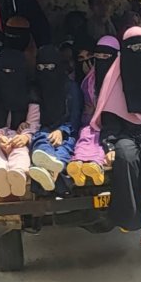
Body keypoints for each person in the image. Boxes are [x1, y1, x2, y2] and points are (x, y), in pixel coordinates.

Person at [91, 26, 141, 252]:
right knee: (125, 156)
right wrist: (109, 144)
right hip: (124, 134)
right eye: (132, 47)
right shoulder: (114, 79)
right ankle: (132, 220)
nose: (137, 52)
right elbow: (110, 118)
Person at [0, 49, 39, 198]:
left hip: (19, 137)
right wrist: (0, 137)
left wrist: (25, 136)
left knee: (21, 150)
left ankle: (17, 173)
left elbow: (34, 122)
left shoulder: (31, 91)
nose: (8, 74)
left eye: (13, 70)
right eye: (4, 70)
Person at [28, 45, 83, 193]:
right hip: (42, 130)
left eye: (50, 66)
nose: (45, 71)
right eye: (40, 67)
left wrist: (62, 131)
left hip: (66, 132)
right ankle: (51, 169)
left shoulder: (71, 88)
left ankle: (53, 169)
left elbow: (75, 117)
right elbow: (32, 115)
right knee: (40, 144)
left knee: (65, 147)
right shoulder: (35, 88)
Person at [66, 35, 118, 187]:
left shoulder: (122, 79)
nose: (101, 60)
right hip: (91, 123)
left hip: (112, 125)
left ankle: (95, 165)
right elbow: (86, 109)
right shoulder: (89, 81)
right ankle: (78, 164)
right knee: (85, 136)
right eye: (98, 56)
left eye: (106, 56)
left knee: (102, 142)